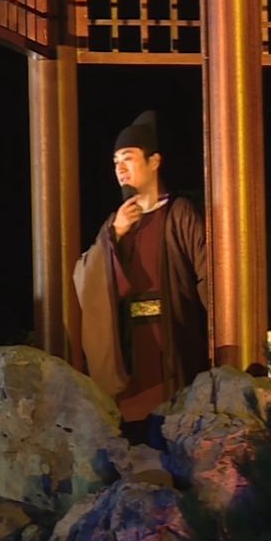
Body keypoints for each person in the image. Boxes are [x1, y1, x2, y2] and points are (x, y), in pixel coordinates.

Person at [73, 110, 208, 443]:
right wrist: (115, 236)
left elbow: (209, 277)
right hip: (130, 351)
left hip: (173, 346)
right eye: (115, 162)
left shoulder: (178, 213)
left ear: (154, 161)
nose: (120, 168)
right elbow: (84, 279)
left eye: (128, 158)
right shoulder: (115, 224)